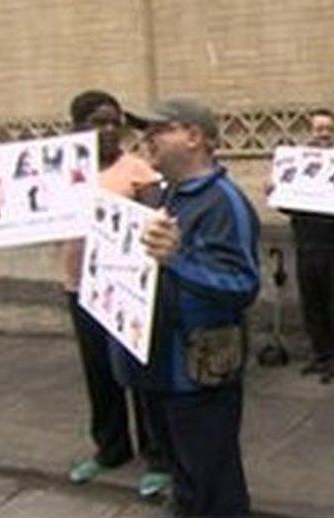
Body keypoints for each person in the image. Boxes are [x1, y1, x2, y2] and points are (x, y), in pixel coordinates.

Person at [126, 97, 261, 516]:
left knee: (213, 484)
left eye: (157, 129)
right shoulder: (163, 195)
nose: (146, 139)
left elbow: (242, 285)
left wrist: (178, 260)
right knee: (183, 476)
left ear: (194, 137)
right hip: (160, 365)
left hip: (200, 371)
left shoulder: (225, 202)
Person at [62, 90, 170, 498]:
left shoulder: (137, 169)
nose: (109, 130)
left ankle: (157, 456)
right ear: (77, 126)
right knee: (99, 372)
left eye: (114, 121)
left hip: (126, 287)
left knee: (138, 373)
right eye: (98, 121)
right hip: (79, 286)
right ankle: (110, 449)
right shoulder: (64, 171)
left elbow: (156, 222)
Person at [267, 109, 334, 384]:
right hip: (305, 246)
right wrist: (274, 192)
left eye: (328, 129)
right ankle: (318, 353)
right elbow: (286, 205)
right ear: (310, 132)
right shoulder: (297, 165)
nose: (323, 134)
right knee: (310, 304)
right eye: (318, 129)